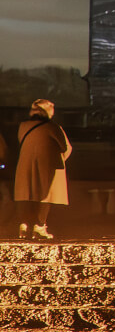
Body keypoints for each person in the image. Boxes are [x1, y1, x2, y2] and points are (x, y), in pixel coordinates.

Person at [12, 99, 71, 240]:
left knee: (27, 194)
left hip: (25, 163)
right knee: (45, 195)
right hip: (47, 165)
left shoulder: (23, 126)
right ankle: (39, 226)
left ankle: (24, 225)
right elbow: (64, 146)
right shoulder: (53, 127)